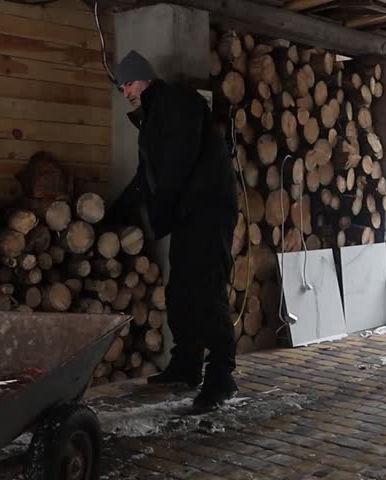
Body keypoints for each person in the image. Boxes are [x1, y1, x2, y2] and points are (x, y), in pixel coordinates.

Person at [105, 50, 239, 412]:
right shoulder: (153, 114)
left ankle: (221, 375)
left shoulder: (177, 102)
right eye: (121, 88)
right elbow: (146, 177)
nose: (125, 92)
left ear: (145, 78)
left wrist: (159, 210)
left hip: (208, 211)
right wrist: (115, 214)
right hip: (187, 215)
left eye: (128, 84)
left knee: (207, 290)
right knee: (180, 290)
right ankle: (186, 364)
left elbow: (177, 163)